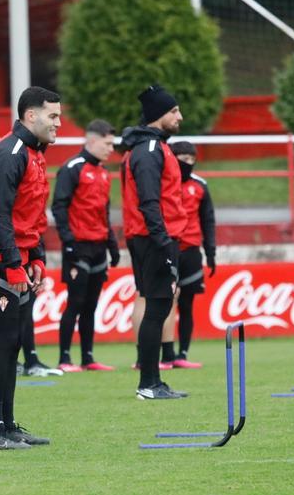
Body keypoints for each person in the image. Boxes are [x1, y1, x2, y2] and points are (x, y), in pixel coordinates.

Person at [0, 86, 60, 450]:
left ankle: (7, 425)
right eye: (53, 116)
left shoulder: (35, 153)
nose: (59, 124)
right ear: (31, 115)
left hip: (16, 258)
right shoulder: (10, 153)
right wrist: (11, 264)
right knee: (4, 341)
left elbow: (32, 214)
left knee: (15, 343)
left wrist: (35, 256)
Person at [120, 84, 188, 400]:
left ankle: (152, 381)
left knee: (158, 306)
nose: (180, 117)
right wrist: (163, 242)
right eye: (174, 111)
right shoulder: (148, 151)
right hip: (153, 238)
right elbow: (149, 201)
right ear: (159, 115)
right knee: (158, 306)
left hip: (151, 236)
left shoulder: (152, 148)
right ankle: (148, 383)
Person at [52, 119, 119, 373]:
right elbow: (59, 207)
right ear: (91, 141)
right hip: (78, 248)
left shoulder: (103, 173)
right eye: (107, 143)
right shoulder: (72, 168)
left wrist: (112, 245)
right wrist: (68, 243)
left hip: (99, 248)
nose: (111, 149)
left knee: (92, 304)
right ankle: (64, 358)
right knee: (75, 302)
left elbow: (105, 212)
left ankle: (88, 357)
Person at [169, 140, 217, 368]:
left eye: (191, 160)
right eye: (183, 159)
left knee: (186, 304)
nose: (187, 164)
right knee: (165, 302)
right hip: (169, 249)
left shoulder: (200, 186)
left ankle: (183, 354)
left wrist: (211, 253)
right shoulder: (164, 183)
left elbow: (208, 221)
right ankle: (163, 354)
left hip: (190, 251)